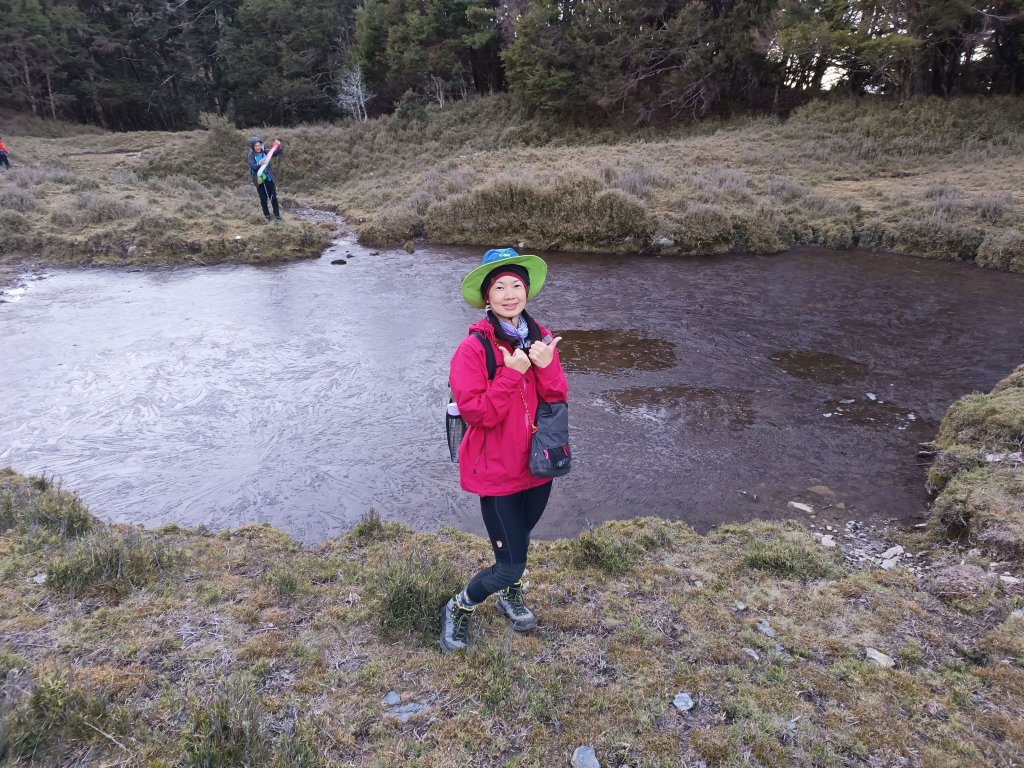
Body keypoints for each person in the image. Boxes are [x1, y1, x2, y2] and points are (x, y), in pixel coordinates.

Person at [441, 247, 567, 653]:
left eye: (516, 285)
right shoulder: (473, 349)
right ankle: (459, 607)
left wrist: (546, 365)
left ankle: (510, 596)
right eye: (500, 287)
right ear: (487, 296)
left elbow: (557, 398)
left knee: (520, 542)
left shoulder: (541, 337)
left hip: (539, 465)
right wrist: (512, 374)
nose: (510, 294)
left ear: (527, 291)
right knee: (511, 563)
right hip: (497, 473)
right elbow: (478, 413)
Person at [246, 137, 282, 222]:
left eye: (259, 145)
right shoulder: (251, 156)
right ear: (252, 146)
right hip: (259, 181)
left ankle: (277, 217)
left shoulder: (265, 152)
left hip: (269, 178)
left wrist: (277, 145)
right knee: (263, 199)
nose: (258, 147)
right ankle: (267, 216)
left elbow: (276, 152)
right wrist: (259, 163)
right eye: (256, 146)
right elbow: (253, 167)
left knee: (273, 198)